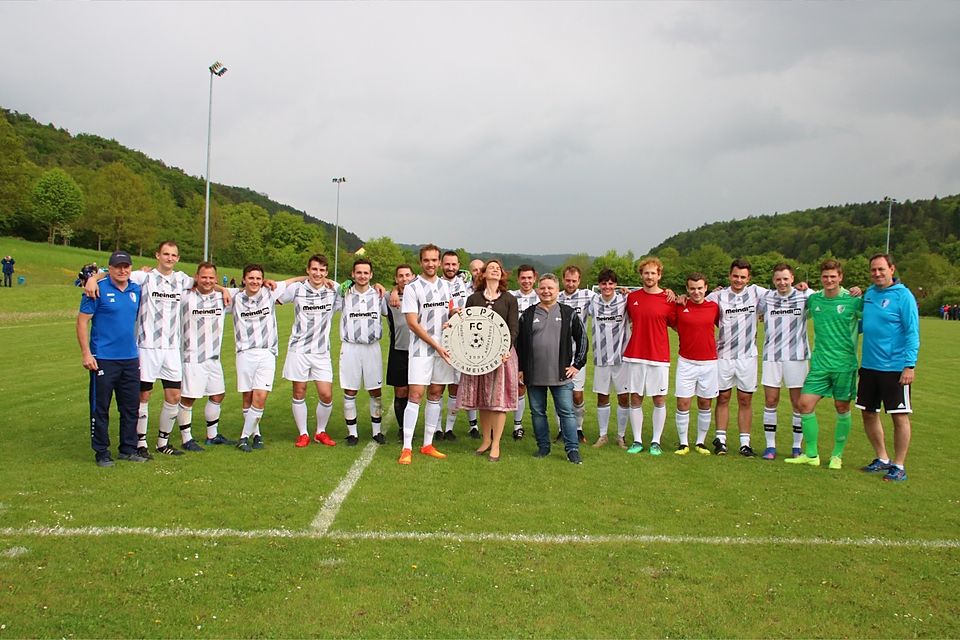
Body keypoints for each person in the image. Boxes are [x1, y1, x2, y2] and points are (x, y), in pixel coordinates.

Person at [84, 240, 193, 458]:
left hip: (172, 348)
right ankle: (140, 444)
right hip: (146, 347)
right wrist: (93, 278)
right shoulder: (144, 277)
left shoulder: (182, 279)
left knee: (174, 395)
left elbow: (205, 281)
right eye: (166, 254)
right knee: (142, 396)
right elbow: (116, 273)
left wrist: (223, 290)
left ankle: (163, 443)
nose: (169, 258)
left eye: (173, 255)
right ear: (157, 255)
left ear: (178, 258)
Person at [786, 260, 862, 470]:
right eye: (825, 276)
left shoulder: (853, 301)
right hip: (819, 364)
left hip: (844, 365)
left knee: (842, 407)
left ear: (840, 277)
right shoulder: (814, 299)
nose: (829, 280)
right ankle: (811, 455)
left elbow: (872, 320)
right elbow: (797, 302)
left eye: (833, 276)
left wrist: (860, 291)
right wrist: (800, 287)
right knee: (804, 404)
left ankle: (837, 456)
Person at [76, 251, 145, 466]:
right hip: (103, 358)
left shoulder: (136, 289)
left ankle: (128, 448)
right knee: (100, 407)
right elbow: (82, 322)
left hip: (130, 358)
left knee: (130, 407)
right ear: (110, 268)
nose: (122, 270)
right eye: (118, 267)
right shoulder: (97, 290)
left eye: (126, 266)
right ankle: (102, 452)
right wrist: (86, 353)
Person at [857, 254, 920, 482]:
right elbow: (864, 324)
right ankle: (882, 458)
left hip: (894, 368)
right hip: (869, 366)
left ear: (892, 269)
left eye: (881, 269)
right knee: (868, 413)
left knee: (899, 416)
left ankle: (899, 465)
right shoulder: (870, 294)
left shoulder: (903, 296)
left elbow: (912, 332)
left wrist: (909, 366)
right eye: (873, 270)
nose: (877, 274)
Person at [229, 264, 305, 452]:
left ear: (262, 279)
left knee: (260, 396)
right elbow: (211, 285)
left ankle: (243, 437)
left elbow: (294, 280)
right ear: (244, 279)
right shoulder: (234, 297)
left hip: (267, 353)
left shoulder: (269, 292)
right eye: (251, 278)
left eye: (258, 278)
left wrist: (324, 280)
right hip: (244, 353)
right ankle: (256, 434)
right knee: (248, 397)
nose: (255, 281)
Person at [516, 273, 588, 464]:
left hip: (561, 375)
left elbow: (582, 339)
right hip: (534, 375)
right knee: (538, 413)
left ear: (557, 291)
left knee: (566, 412)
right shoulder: (528, 314)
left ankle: (572, 450)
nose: (546, 291)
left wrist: (577, 365)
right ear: (538, 290)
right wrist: (521, 369)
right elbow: (520, 344)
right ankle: (543, 447)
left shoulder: (568, 312)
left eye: (550, 288)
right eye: (543, 288)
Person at [399, 244, 457, 464]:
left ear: (439, 262)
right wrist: (436, 344)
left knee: (435, 393)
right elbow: (413, 323)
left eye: (434, 260)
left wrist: (454, 313)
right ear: (420, 262)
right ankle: (406, 448)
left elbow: (449, 309)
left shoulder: (446, 286)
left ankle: (427, 444)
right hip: (421, 349)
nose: (431, 264)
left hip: (445, 349)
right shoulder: (413, 287)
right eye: (427, 260)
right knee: (415, 395)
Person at [458, 259, 520, 461]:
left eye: (498, 268)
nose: (494, 270)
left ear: (502, 275)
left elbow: (513, 328)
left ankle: (496, 444)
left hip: (502, 357)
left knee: (498, 401)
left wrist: (505, 349)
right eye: (490, 268)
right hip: (479, 356)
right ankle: (485, 440)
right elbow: (465, 326)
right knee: (483, 401)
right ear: (483, 274)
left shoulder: (509, 299)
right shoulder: (474, 298)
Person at [707, 259, 767, 456]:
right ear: (729, 276)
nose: (738, 280)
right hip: (724, 355)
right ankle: (720, 440)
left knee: (745, 399)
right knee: (723, 397)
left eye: (743, 277)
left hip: (747, 356)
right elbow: (696, 300)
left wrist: (801, 288)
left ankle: (745, 443)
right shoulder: (718, 296)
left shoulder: (757, 293)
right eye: (735, 276)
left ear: (749, 278)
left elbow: (781, 296)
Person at [279, 255, 339, 448]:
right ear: (308, 270)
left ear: (327, 273)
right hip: (299, 350)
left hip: (321, 351)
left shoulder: (333, 291)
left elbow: (354, 288)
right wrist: (297, 279)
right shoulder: (298, 289)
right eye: (314, 269)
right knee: (299, 391)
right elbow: (276, 294)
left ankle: (320, 431)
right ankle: (303, 433)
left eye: (322, 270)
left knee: (326, 394)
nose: (318, 273)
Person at [757, 263, 814, 459]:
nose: (782, 282)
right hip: (772, 357)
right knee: (771, 400)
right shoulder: (767, 297)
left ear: (792, 279)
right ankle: (770, 446)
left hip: (797, 357)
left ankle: (797, 447)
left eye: (785, 279)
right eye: (778, 279)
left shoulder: (805, 296)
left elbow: (828, 296)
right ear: (774, 281)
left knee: (797, 403)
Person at [177, 262, 236, 450]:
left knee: (218, 394)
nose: (207, 281)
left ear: (216, 279)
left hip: (213, 357)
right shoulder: (185, 297)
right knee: (188, 398)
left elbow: (251, 290)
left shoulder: (222, 298)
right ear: (196, 277)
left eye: (211, 278)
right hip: (192, 357)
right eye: (204, 277)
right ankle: (186, 439)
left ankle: (212, 435)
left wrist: (224, 290)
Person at [622, 258, 675, 456]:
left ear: (659, 275)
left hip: (659, 356)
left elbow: (678, 325)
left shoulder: (668, 300)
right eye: (646, 273)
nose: (649, 276)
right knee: (635, 397)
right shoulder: (632, 298)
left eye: (653, 273)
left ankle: (655, 441)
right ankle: (637, 440)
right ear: (641, 275)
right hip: (635, 355)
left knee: (659, 399)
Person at [671, 273, 721, 455]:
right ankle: (683, 443)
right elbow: (672, 324)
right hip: (686, 362)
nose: (696, 292)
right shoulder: (680, 306)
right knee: (683, 402)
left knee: (705, 402)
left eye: (699, 288)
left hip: (709, 363)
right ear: (687, 289)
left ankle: (700, 442)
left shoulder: (714, 307)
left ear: (706, 288)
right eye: (692, 288)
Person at [339, 258, 387, 445]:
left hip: (371, 347)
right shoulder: (344, 293)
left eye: (366, 273)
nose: (362, 276)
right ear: (352, 274)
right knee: (350, 390)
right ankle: (353, 434)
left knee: (375, 390)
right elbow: (325, 285)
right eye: (358, 272)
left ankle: (377, 432)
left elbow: (396, 298)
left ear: (371, 275)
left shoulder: (379, 295)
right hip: (350, 347)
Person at [435, 250, 479, 440]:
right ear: (441, 265)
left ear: (458, 265)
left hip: (462, 342)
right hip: (438, 342)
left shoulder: (466, 284)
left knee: (455, 387)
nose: (450, 268)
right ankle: (436, 428)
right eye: (447, 264)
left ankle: (449, 429)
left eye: (454, 264)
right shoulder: (434, 284)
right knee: (436, 388)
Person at [587, 269, 630, 449]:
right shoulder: (593, 301)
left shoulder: (624, 299)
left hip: (622, 358)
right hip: (601, 358)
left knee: (623, 398)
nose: (607, 287)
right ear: (599, 285)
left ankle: (621, 436)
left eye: (611, 283)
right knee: (602, 397)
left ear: (615, 285)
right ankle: (603, 435)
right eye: (604, 283)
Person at [556, 265, 595, 442]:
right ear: (563, 279)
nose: (570, 284)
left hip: (577, 354)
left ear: (579, 281)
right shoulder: (556, 296)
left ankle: (578, 428)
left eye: (574, 281)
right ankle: (561, 429)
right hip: (557, 354)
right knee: (560, 394)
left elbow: (608, 297)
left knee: (577, 395)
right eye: (568, 280)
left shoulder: (588, 296)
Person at [509, 264, 539, 440]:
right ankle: (517, 425)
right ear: (518, 279)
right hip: (512, 347)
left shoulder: (541, 296)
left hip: (534, 348)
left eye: (529, 278)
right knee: (514, 387)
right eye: (523, 278)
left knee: (529, 387)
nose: (526, 281)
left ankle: (530, 424)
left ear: (534, 278)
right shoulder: (511, 296)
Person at [386, 264, 415, 442]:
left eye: (407, 275)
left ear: (413, 276)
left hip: (418, 350)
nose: (404, 279)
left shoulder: (419, 294)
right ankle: (402, 428)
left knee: (415, 392)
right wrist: (394, 291)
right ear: (396, 279)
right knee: (401, 391)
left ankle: (412, 428)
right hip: (398, 350)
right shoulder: (390, 298)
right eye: (400, 276)